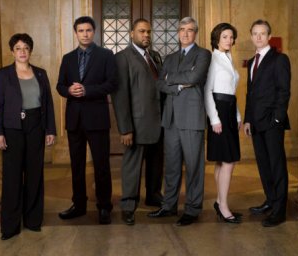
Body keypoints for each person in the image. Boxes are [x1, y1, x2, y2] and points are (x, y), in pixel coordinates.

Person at [0, 33, 56, 240]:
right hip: (12, 129)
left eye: (26, 48)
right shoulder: (3, 75)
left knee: (35, 174)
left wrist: (50, 130)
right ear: (12, 51)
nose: (22, 52)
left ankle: (33, 220)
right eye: (18, 48)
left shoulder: (41, 74)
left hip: (36, 126)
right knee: (12, 177)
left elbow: (48, 105)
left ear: (30, 51)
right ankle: (10, 226)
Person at [148, 17, 211, 226]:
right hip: (171, 118)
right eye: (182, 29)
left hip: (192, 118)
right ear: (178, 32)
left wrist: (172, 79)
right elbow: (159, 84)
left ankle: (192, 209)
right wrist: (178, 84)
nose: (185, 33)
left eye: (190, 30)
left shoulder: (203, 54)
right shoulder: (170, 57)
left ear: (196, 32)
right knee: (172, 166)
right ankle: (169, 205)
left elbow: (194, 78)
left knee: (193, 166)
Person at [56, 16, 117, 225]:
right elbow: (59, 86)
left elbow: (112, 84)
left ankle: (104, 207)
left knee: (101, 165)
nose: (85, 34)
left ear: (94, 32)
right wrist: (69, 91)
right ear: (75, 33)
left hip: (97, 119)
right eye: (81, 30)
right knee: (77, 165)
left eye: (88, 30)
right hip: (74, 120)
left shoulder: (106, 55)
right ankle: (79, 205)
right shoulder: (68, 58)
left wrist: (88, 90)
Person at [112, 18, 164, 225]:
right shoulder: (122, 58)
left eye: (149, 32)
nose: (146, 35)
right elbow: (120, 95)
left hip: (158, 121)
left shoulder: (155, 57)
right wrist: (125, 129)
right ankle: (128, 204)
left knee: (156, 162)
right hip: (136, 124)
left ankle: (153, 195)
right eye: (142, 31)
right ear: (131, 33)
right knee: (132, 165)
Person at [244, 19, 291, 227]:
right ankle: (270, 200)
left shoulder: (280, 59)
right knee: (264, 165)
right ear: (251, 36)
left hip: (272, 122)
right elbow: (250, 94)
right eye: (255, 33)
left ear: (269, 36)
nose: (259, 37)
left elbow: (284, 91)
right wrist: (247, 119)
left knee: (277, 166)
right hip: (255, 123)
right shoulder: (252, 61)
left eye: (263, 33)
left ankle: (279, 211)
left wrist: (278, 118)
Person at [204, 23, 242, 224]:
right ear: (217, 38)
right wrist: (215, 119)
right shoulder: (213, 59)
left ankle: (220, 202)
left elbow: (232, 93)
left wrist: (236, 115)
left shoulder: (228, 58)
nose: (229, 40)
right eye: (225, 36)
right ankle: (224, 206)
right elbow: (207, 91)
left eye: (231, 37)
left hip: (229, 111)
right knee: (228, 161)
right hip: (218, 111)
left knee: (223, 160)